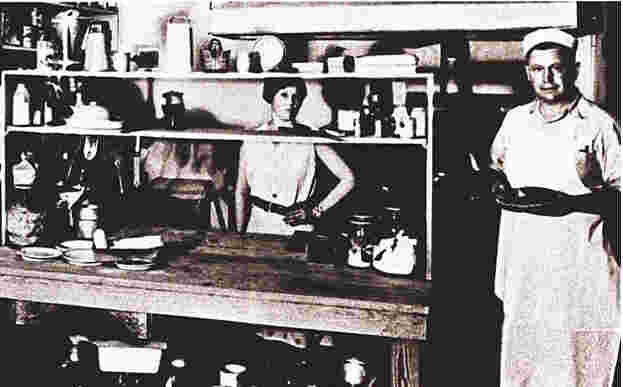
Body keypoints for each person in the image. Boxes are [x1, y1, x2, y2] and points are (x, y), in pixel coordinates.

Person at [489, 28, 620, 386]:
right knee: (525, 357)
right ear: (527, 72)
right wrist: (498, 187)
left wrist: (571, 201)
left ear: (574, 70)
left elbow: (619, 196)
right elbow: (495, 170)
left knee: (575, 361)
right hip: (525, 264)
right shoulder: (515, 121)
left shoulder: (599, 125)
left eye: (556, 68)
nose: (547, 78)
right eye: (538, 69)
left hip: (577, 267)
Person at [235, 77, 355, 235]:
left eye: (296, 97)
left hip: (297, 230)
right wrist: (239, 235)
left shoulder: (311, 137)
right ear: (271, 97)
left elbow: (348, 179)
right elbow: (241, 192)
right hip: (257, 226)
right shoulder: (252, 138)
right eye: (284, 95)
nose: (291, 102)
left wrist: (315, 211)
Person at [142, 139, 231, 229]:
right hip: (167, 209)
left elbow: (220, 184)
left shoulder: (212, 144)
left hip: (203, 210)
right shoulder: (162, 145)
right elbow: (154, 183)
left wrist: (211, 169)